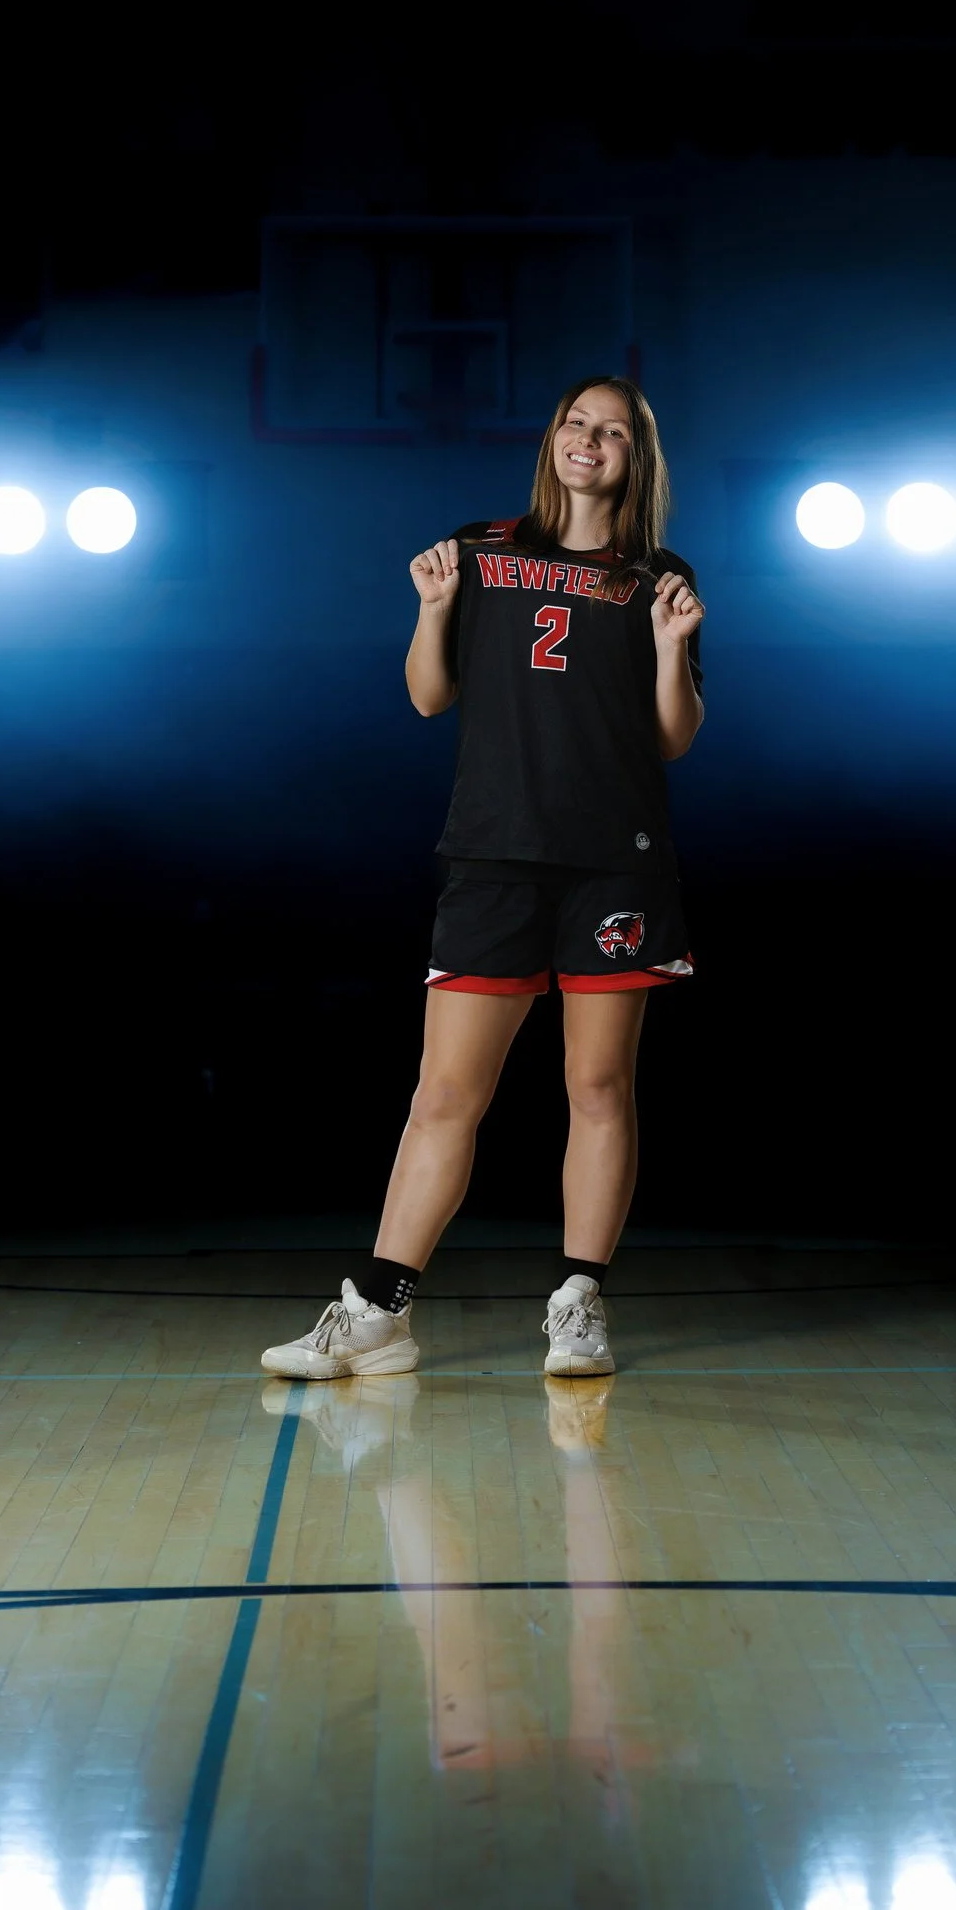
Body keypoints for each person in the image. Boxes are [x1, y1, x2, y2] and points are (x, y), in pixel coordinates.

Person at [261, 376, 704, 1382]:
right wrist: (431, 609)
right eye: (575, 422)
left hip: (612, 862)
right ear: (552, 437)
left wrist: (674, 650)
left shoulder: (654, 576)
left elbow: (672, 736)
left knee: (597, 1085)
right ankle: (375, 1311)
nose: (591, 440)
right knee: (445, 1091)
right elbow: (428, 697)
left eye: (615, 431)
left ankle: (578, 1301)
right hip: (495, 855)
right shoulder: (478, 550)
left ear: (637, 456)